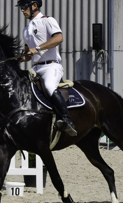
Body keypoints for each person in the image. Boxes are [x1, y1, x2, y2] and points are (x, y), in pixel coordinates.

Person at [16, 0, 77, 136]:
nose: (22, 10)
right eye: (21, 7)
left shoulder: (47, 20)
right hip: (35, 68)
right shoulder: (25, 30)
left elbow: (59, 38)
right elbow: (28, 55)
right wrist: (20, 58)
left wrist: (37, 48)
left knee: (49, 86)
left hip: (51, 66)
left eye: (24, 7)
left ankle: (67, 120)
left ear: (34, 5)